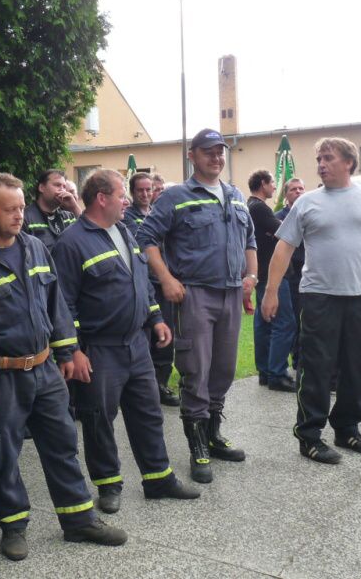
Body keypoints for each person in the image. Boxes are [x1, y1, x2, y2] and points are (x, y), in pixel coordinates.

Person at [0, 172, 127, 560]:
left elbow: (56, 306)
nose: (19, 216)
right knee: (4, 455)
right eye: (9, 210)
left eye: (20, 207)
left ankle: (78, 520)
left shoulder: (35, 248)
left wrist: (67, 353)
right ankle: (13, 527)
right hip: (0, 377)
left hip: (45, 371)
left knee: (62, 445)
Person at [52, 169, 200, 513]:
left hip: (136, 344)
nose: (127, 201)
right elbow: (62, 304)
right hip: (99, 349)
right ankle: (108, 484)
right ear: (101, 198)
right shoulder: (72, 243)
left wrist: (156, 319)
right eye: (122, 195)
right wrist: (73, 351)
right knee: (99, 419)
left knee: (148, 412)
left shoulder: (123, 231)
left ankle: (158, 478)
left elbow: (141, 282)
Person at [262, 137, 361, 465]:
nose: (321, 164)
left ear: (349, 162)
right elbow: (284, 248)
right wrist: (271, 291)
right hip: (319, 296)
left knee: (358, 365)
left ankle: (347, 428)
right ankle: (309, 435)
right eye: (319, 159)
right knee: (316, 366)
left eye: (328, 158)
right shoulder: (307, 202)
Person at [136, 128, 257, 483]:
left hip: (231, 293)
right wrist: (167, 279)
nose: (216, 157)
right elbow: (146, 238)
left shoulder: (235, 195)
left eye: (220, 151)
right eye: (208, 152)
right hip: (194, 295)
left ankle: (213, 433)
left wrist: (252, 277)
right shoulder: (176, 197)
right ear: (192, 156)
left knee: (224, 368)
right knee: (196, 368)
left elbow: (250, 240)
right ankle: (197, 445)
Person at [124, 172, 180, 406]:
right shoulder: (128, 217)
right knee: (148, 335)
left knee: (167, 333)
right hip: (144, 283)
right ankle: (148, 386)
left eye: (149, 189)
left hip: (164, 281)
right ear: (132, 192)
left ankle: (161, 383)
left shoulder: (158, 213)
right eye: (140, 190)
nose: (146, 194)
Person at [247, 169, 296, 392]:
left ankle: (266, 372)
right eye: (272, 182)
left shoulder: (251, 206)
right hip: (272, 274)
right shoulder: (259, 208)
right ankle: (277, 373)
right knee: (283, 322)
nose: (275, 187)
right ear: (262, 183)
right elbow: (284, 231)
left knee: (264, 323)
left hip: (261, 272)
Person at [276, 178, 306, 371]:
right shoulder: (279, 217)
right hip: (291, 273)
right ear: (286, 194)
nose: (298, 191)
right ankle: (297, 358)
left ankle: (306, 355)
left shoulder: (310, 213)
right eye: (294, 189)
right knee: (294, 316)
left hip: (310, 271)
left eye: (301, 188)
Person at [23, 169, 81, 251]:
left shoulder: (68, 216)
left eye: (64, 187)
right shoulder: (25, 218)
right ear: (41, 188)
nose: (62, 190)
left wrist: (74, 207)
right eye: (57, 185)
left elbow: (87, 236)